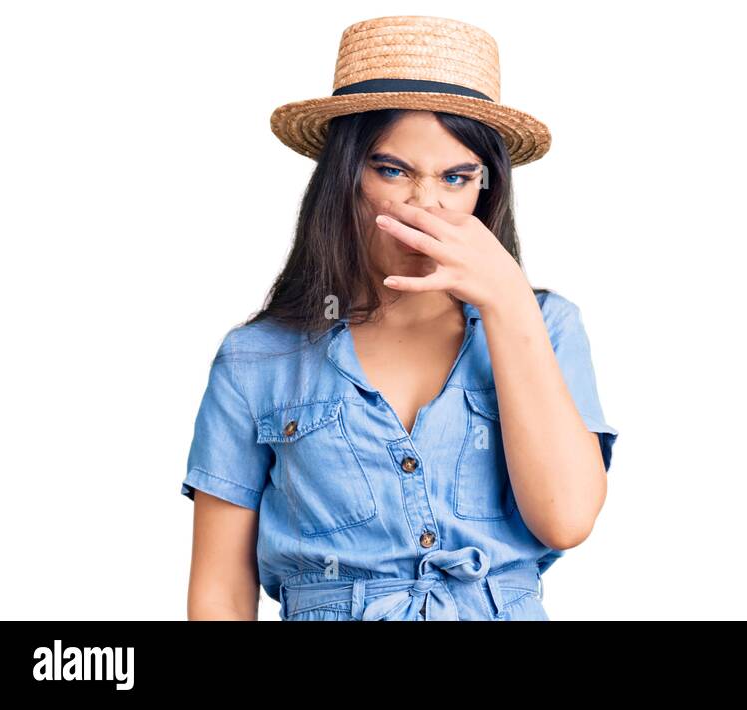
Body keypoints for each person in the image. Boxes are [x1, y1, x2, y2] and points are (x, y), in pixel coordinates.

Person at [181, 15, 618, 621]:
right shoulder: (258, 359)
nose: (425, 204)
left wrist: (506, 299)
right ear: (346, 176)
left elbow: (567, 518)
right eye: (393, 171)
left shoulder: (544, 326)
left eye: (456, 178)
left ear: (485, 190)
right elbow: (220, 592)